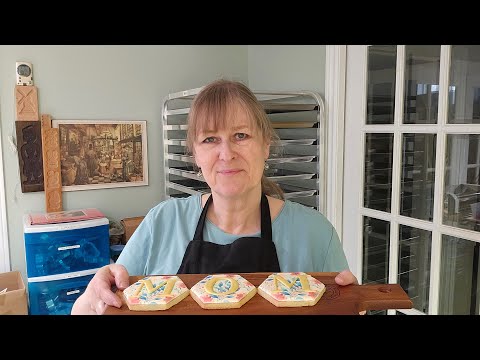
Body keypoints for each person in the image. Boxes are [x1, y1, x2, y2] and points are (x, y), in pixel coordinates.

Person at [71, 79, 358, 315]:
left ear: (266, 146)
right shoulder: (162, 222)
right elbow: (88, 310)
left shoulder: (316, 233)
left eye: (241, 135)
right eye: (210, 139)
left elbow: (347, 308)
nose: (226, 153)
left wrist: (352, 306)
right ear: (195, 155)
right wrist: (91, 295)